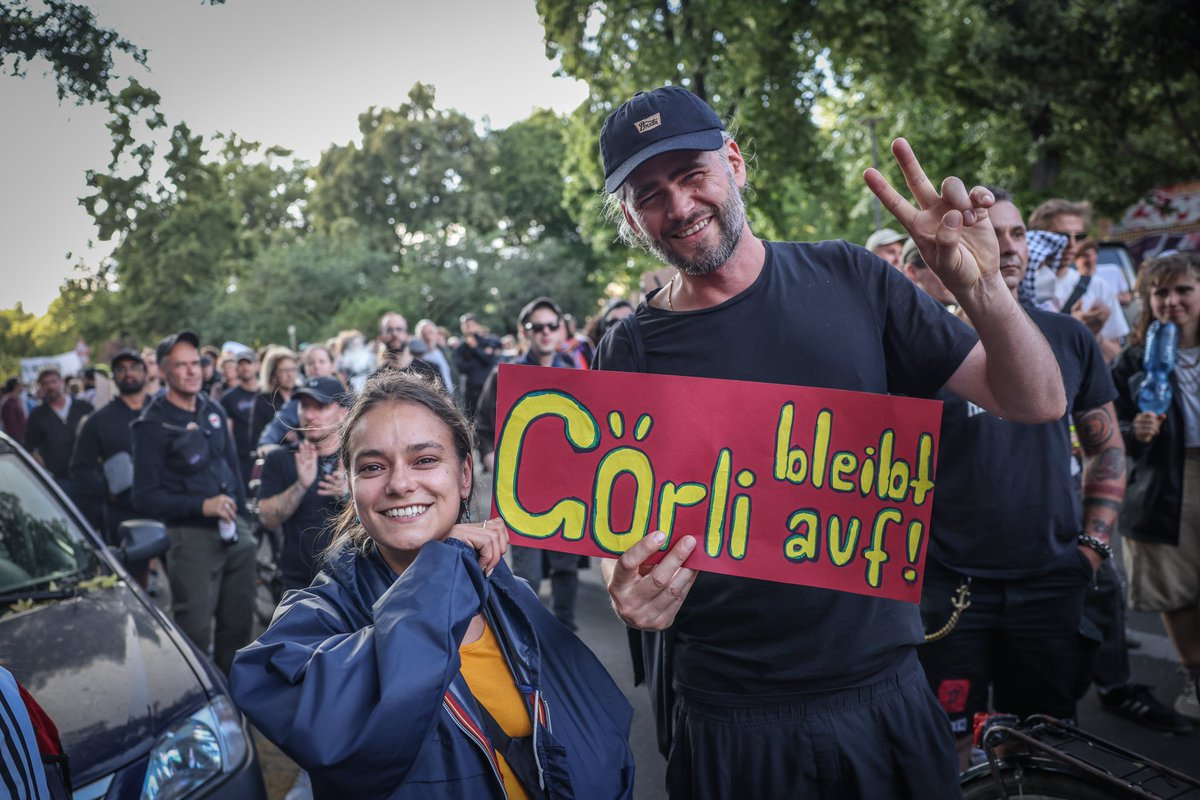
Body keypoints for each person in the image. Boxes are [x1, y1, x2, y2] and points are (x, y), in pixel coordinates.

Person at [592, 85, 1065, 798]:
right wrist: (620, 585)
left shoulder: (851, 276)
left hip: (887, 689)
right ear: (631, 217)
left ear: (735, 162)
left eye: (693, 175)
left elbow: (1036, 401)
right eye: (650, 193)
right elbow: (609, 527)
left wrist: (984, 288)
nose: (680, 206)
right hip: (731, 712)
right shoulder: (627, 352)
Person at [230, 370, 635, 799]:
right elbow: (324, 725)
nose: (400, 484)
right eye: (372, 466)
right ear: (351, 485)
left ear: (464, 476)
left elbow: (598, 743)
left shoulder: (507, 591)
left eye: (424, 460)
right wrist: (438, 571)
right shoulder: (320, 613)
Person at [131, 330, 256, 674]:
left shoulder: (212, 408)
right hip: (190, 538)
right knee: (195, 630)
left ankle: (237, 698)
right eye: (181, 365)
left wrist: (245, 519)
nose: (192, 371)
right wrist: (201, 506)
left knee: (239, 625)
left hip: (235, 532)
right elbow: (143, 497)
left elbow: (231, 466)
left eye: (196, 363)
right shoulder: (152, 423)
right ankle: (202, 706)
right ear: (164, 371)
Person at [1112, 251, 1200, 723]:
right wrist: (1134, 431)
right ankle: (1195, 675)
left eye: (1183, 289)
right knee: (1174, 584)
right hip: (1166, 478)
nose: (1172, 302)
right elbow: (1104, 425)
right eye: (1160, 292)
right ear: (1147, 299)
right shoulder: (1132, 359)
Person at [257, 376, 351, 592]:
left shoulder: (358, 456)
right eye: (304, 406)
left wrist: (349, 495)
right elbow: (267, 519)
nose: (310, 415)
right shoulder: (280, 458)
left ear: (344, 412)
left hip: (355, 577)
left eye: (320, 406)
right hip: (300, 583)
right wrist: (301, 485)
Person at [68, 349, 149, 544]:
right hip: (124, 519)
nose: (128, 373)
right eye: (121, 369)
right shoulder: (98, 421)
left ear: (145, 372)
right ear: (114, 377)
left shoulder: (162, 412)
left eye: (134, 367)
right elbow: (79, 470)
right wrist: (108, 491)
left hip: (169, 513)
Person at [24, 366, 93, 489]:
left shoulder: (84, 408)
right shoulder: (37, 415)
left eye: (53, 381)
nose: (50, 387)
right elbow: (29, 446)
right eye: (45, 383)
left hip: (88, 476)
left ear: (61, 382)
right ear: (41, 387)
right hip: (59, 480)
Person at [454, 312, 500, 416]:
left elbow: (488, 360)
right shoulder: (461, 346)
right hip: (471, 389)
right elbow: (460, 367)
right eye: (466, 325)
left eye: (471, 325)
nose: (469, 328)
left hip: (487, 386)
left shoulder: (486, 341)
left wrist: (475, 348)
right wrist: (476, 364)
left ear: (476, 325)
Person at [2, 376, 27, 442]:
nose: (22, 387)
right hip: (16, 440)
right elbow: (11, 426)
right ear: (15, 386)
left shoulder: (17, 400)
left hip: (22, 438)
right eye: (20, 385)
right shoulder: (9, 403)